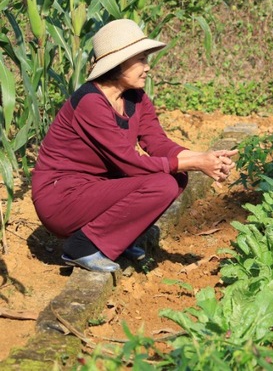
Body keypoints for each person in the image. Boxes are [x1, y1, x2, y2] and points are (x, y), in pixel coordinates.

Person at [31, 18, 238, 273]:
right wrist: (195, 162)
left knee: (176, 178)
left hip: (95, 189)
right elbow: (128, 162)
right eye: (140, 59)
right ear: (118, 64)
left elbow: (157, 142)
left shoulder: (136, 97)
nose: (147, 67)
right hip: (61, 198)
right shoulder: (90, 102)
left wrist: (203, 157)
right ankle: (82, 247)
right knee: (162, 183)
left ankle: (117, 240)